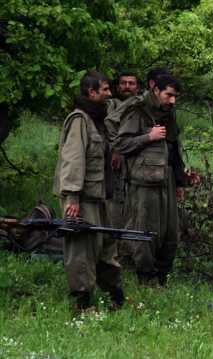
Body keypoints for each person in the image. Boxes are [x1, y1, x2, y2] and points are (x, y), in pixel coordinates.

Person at [53, 70, 124, 311]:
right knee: (82, 249)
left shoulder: (97, 120)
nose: (109, 93)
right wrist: (72, 197)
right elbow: (73, 160)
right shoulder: (79, 120)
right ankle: (81, 304)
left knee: (105, 245)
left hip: (99, 195)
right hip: (81, 198)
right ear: (91, 92)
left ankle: (115, 296)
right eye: (104, 89)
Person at [114, 74, 188, 286]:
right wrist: (148, 137)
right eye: (169, 95)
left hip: (167, 180)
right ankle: (146, 278)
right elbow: (121, 144)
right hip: (143, 184)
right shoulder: (137, 111)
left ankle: (162, 277)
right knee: (144, 232)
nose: (173, 100)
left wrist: (180, 181)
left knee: (170, 233)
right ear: (156, 90)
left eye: (176, 97)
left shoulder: (168, 113)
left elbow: (174, 149)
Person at [104, 71, 141, 266]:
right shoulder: (111, 105)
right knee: (115, 208)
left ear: (138, 87)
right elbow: (109, 124)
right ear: (118, 87)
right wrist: (117, 148)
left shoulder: (142, 105)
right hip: (116, 166)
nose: (127, 86)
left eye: (131, 83)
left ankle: (131, 253)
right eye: (124, 83)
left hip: (138, 165)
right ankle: (115, 253)